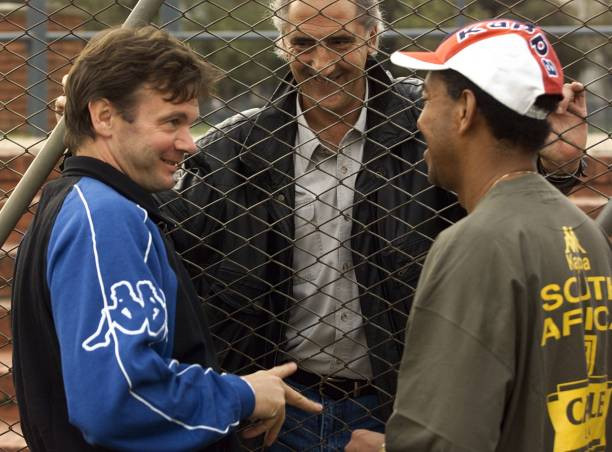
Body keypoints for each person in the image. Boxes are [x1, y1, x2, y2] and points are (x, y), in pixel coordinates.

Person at [157, 2, 588, 449]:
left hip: (398, 400)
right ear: (282, 44)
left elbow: (507, 207)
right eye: (303, 43)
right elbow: (169, 249)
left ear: (372, 38)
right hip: (280, 400)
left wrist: (556, 168)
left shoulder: (432, 123)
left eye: (340, 41)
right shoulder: (234, 147)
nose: (322, 63)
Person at [11, 25, 321, 452]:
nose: (189, 144)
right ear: (104, 116)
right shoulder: (106, 218)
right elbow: (120, 401)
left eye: (189, 124)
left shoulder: (87, 201)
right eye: (172, 122)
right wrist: (242, 395)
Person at [346, 19, 612, 452]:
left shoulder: (476, 244)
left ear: (465, 110)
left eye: (428, 100)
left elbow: (444, 436)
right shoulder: (581, 230)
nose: (420, 120)